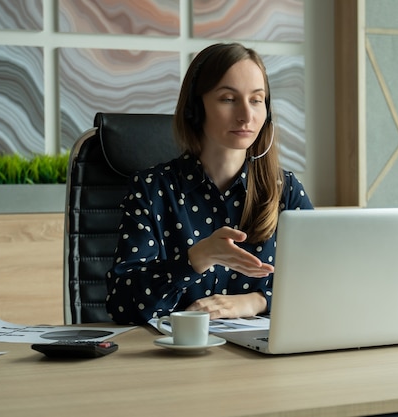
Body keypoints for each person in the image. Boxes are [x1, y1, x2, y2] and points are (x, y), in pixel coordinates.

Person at [106, 43, 314, 325]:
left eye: (256, 100)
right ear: (195, 109)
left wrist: (255, 301)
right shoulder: (152, 190)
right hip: (173, 361)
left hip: (261, 360)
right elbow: (122, 306)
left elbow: (321, 284)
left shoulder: (285, 190)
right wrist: (194, 260)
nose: (246, 115)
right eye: (228, 99)